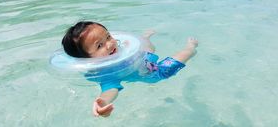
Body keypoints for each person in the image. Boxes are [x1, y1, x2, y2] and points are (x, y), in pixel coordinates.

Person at [61, 21, 198, 117]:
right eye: (99, 46)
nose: (110, 44)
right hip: (151, 71)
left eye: (108, 36)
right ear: (87, 59)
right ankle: (190, 48)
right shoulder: (105, 73)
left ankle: (144, 38)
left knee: (149, 48)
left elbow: (131, 47)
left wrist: (140, 42)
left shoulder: (119, 48)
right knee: (165, 71)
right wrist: (103, 102)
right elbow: (110, 89)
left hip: (142, 56)